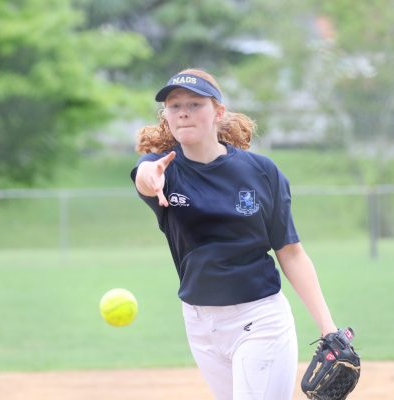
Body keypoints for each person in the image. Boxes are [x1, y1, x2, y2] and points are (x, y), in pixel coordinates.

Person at [130, 68, 338, 400]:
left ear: (218, 112)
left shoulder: (261, 172)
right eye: (174, 105)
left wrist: (330, 330)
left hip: (259, 318)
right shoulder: (163, 170)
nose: (183, 111)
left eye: (195, 103)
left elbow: (291, 252)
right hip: (200, 324)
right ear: (166, 116)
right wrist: (148, 176)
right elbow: (144, 174)